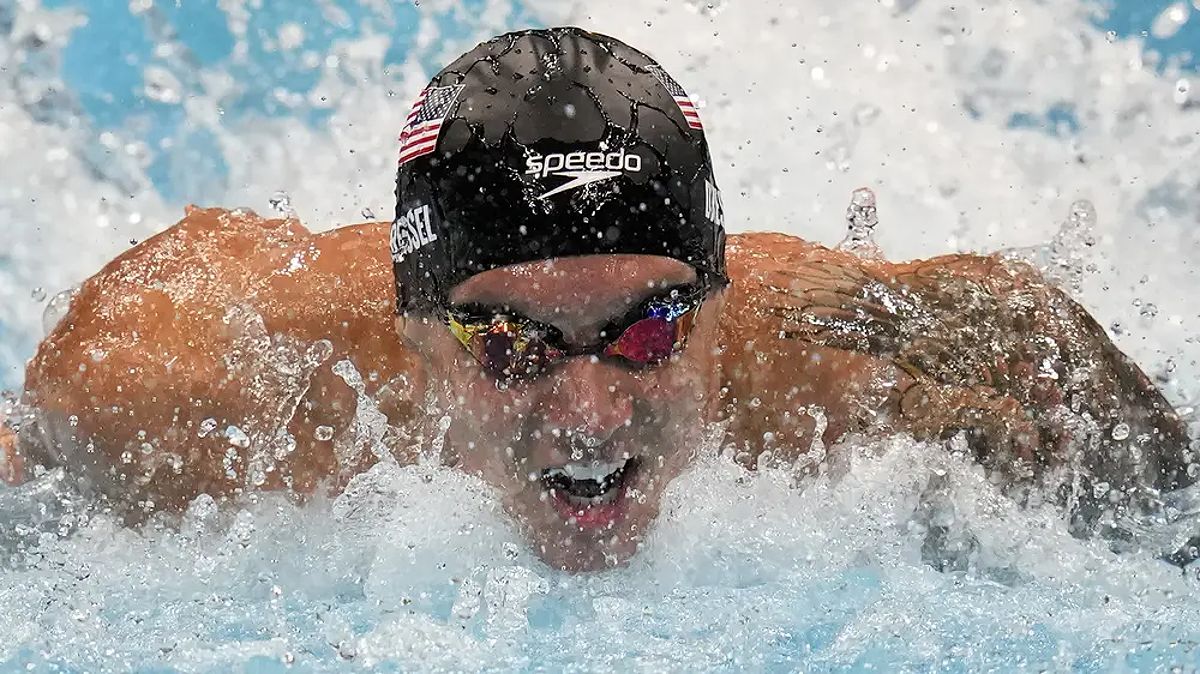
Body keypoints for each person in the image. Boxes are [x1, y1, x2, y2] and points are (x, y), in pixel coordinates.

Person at [1, 27, 1191, 571]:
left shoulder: (835, 370)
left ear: (717, 309)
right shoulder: (192, 392)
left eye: (650, 330)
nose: (587, 413)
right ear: (415, 333)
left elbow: (1033, 337)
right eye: (509, 345)